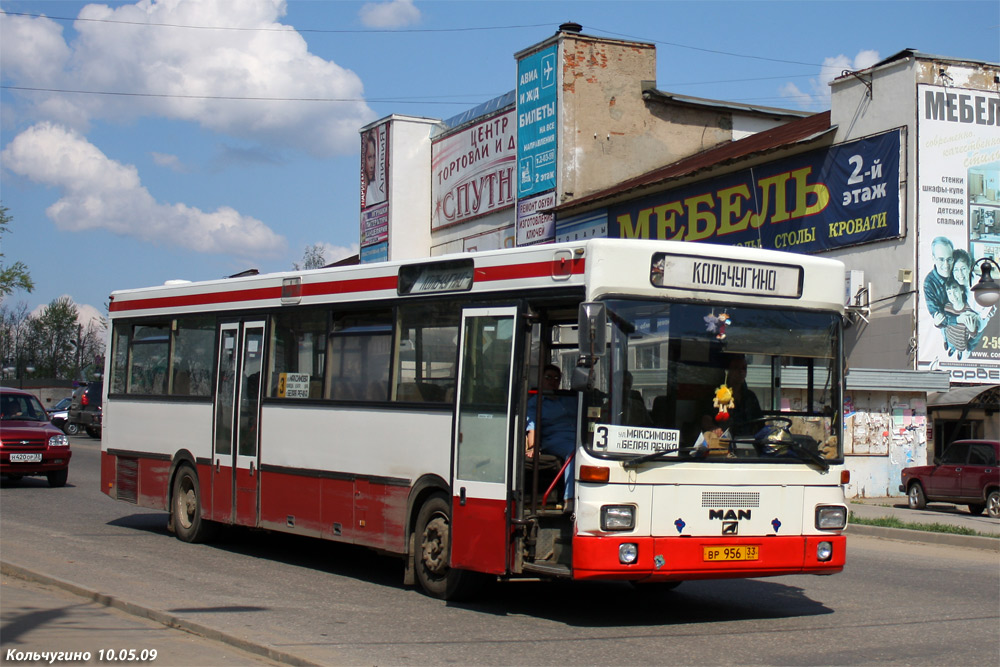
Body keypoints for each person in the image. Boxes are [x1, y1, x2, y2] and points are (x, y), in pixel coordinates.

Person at [526, 364, 577, 508]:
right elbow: (532, 428)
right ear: (540, 379)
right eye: (548, 377)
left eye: (556, 378)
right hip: (555, 440)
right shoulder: (535, 403)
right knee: (574, 452)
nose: (552, 381)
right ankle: (569, 499)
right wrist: (533, 447)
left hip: (579, 437)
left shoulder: (568, 399)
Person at [703, 354, 762, 438]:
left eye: (744, 368)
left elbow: (759, 422)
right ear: (727, 371)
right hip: (725, 442)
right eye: (736, 368)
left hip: (749, 442)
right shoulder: (717, 395)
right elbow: (706, 418)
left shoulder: (751, 397)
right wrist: (713, 428)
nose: (741, 371)